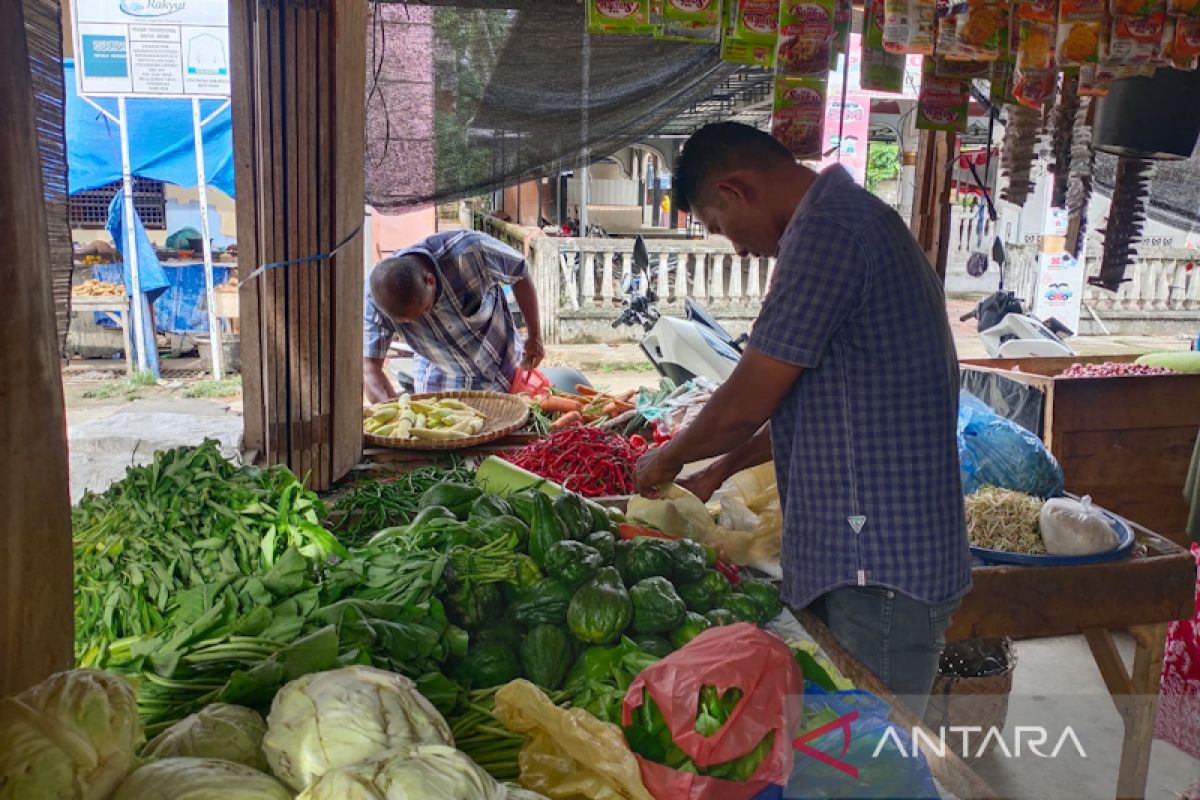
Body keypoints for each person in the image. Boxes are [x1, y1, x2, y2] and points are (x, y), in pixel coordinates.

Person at [633, 122, 971, 714]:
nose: (735, 246)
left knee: (873, 759)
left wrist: (668, 457)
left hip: (876, 564)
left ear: (737, 190)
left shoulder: (828, 233)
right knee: (844, 745)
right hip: (868, 558)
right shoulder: (847, 218)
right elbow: (811, 403)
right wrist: (715, 473)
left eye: (719, 227)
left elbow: (747, 398)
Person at [363, 230, 544, 403]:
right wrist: (396, 417)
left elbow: (519, 272)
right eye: (408, 324)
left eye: (425, 309)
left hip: (505, 365)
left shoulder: (470, 250)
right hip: (443, 383)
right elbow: (369, 367)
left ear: (430, 280)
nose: (421, 321)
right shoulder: (373, 301)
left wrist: (535, 335)